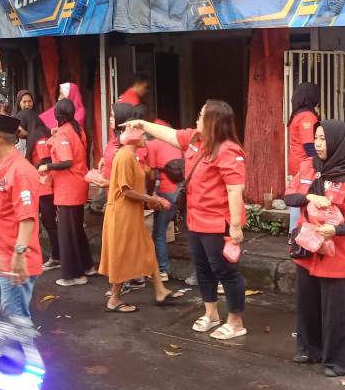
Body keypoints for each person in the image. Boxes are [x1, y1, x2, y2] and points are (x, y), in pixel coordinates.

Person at [125, 100, 247, 340]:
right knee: (203, 269)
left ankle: (235, 322)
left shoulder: (228, 150)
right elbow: (170, 135)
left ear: (213, 121)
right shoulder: (195, 139)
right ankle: (211, 313)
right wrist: (142, 124)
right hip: (195, 220)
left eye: (201, 115)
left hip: (217, 223)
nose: (197, 119)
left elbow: (235, 189)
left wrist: (235, 227)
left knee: (225, 271)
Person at [285, 120, 345, 377]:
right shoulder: (309, 166)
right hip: (307, 249)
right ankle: (308, 349)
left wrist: (336, 230)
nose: (318, 144)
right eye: (316, 138)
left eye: (323, 139)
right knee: (307, 304)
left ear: (337, 142)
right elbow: (289, 196)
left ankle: (336, 361)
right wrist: (308, 196)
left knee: (335, 311)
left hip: (336, 254)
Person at [99, 125, 184, 312]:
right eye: (143, 135)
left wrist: (150, 200)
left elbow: (123, 185)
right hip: (122, 215)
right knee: (122, 254)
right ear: (133, 137)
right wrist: (153, 199)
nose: (146, 138)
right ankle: (114, 299)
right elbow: (126, 190)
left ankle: (160, 291)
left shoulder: (131, 156)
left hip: (131, 213)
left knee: (147, 249)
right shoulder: (125, 156)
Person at [0, 113, 43, 319]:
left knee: (16, 321)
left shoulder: (20, 171)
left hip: (15, 261)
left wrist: (19, 253)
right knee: (10, 318)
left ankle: (27, 344)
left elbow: (27, 217)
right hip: (1, 259)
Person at [40, 98, 94, 286]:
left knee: (67, 233)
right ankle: (87, 266)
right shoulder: (76, 128)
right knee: (76, 230)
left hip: (68, 188)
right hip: (78, 183)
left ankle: (74, 275)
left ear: (57, 115)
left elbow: (66, 161)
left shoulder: (64, 132)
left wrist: (46, 166)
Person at [16, 108, 61, 270]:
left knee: (49, 222)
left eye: (19, 128)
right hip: (42, 186)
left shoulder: (39, 137)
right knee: (47, 222)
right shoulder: (38, 134)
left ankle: (57, 256)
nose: (19, 132)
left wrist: (29, 170)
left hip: (45, 187)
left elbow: (45, 160)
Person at [147, 118, 183, 281]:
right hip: (180, 192)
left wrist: (149, 196)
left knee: (159, 233)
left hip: (165, 193)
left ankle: (162, 270)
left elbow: (151, 174)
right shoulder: (177, 144)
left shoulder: (153, 144)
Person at [287, 83, 320, 231]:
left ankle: (294, 233)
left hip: (296, 161)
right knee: (302, 198)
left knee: (298, 197)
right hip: (304, 163)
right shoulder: (307, 116)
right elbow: (309, 145)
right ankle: (297, 232)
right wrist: (319, 165)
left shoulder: (298, 114)